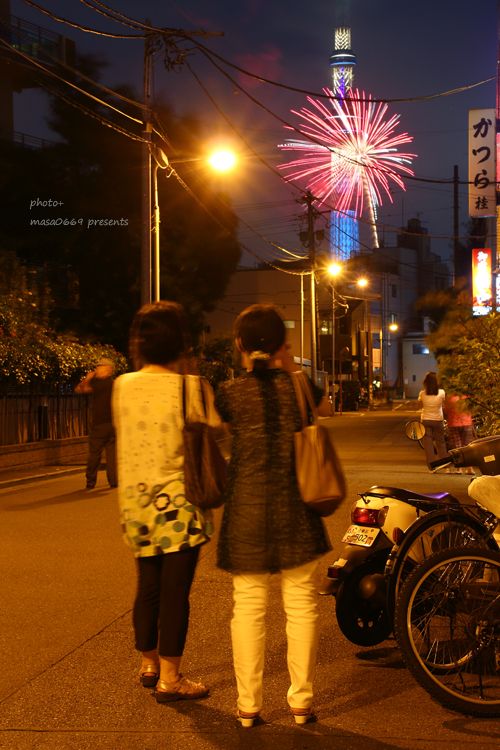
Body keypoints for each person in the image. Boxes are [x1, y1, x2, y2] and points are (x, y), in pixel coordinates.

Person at [215, 304, 332, 727]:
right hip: (296, 509)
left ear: (240, 344)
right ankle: (300, 702)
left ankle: (249, 706)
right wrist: (289, 365)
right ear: (282, 344)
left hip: (247, 510)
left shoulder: (229, 392)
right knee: (301, 605)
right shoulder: (298, 386)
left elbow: (217, 428)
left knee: (247, 608)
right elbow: (329, 410)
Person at [112, 301, 219, 703]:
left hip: (136, 505)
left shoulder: (122, 385)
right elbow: (213, 430)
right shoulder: (191, 386)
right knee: (176, 591)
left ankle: (149, 663)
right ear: (179, 340)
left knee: (148, 586)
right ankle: (171, 680)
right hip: (180, 506)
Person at [75, 357, 117, 489]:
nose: (97, 370)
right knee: (111, 455)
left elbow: (80, 389)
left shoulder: (100, 384)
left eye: (100, 368)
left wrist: (88, 378)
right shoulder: (114, 383)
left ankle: (91, 482)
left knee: (94, 454)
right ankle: (114, 481)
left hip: (99, 425)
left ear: (108, 370)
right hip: (113, 424)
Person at [418, 371, 448, 472]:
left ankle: (432, 467)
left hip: (426, 420)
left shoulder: (422, 394)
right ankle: (446, 467)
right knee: (440, 443)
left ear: (425, 382)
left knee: (428, 445)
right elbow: (443, 404)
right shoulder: (442, 392)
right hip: (438, 420)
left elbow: (422, 407)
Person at [444, 394, 475, 475]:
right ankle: (470, 468)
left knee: (457, 447)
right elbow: (472, 410)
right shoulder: (467, 398)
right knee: (468, 446)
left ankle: (459, 468)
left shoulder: (449, 398)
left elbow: (446, 411)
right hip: (467, 422)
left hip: (453, 423)